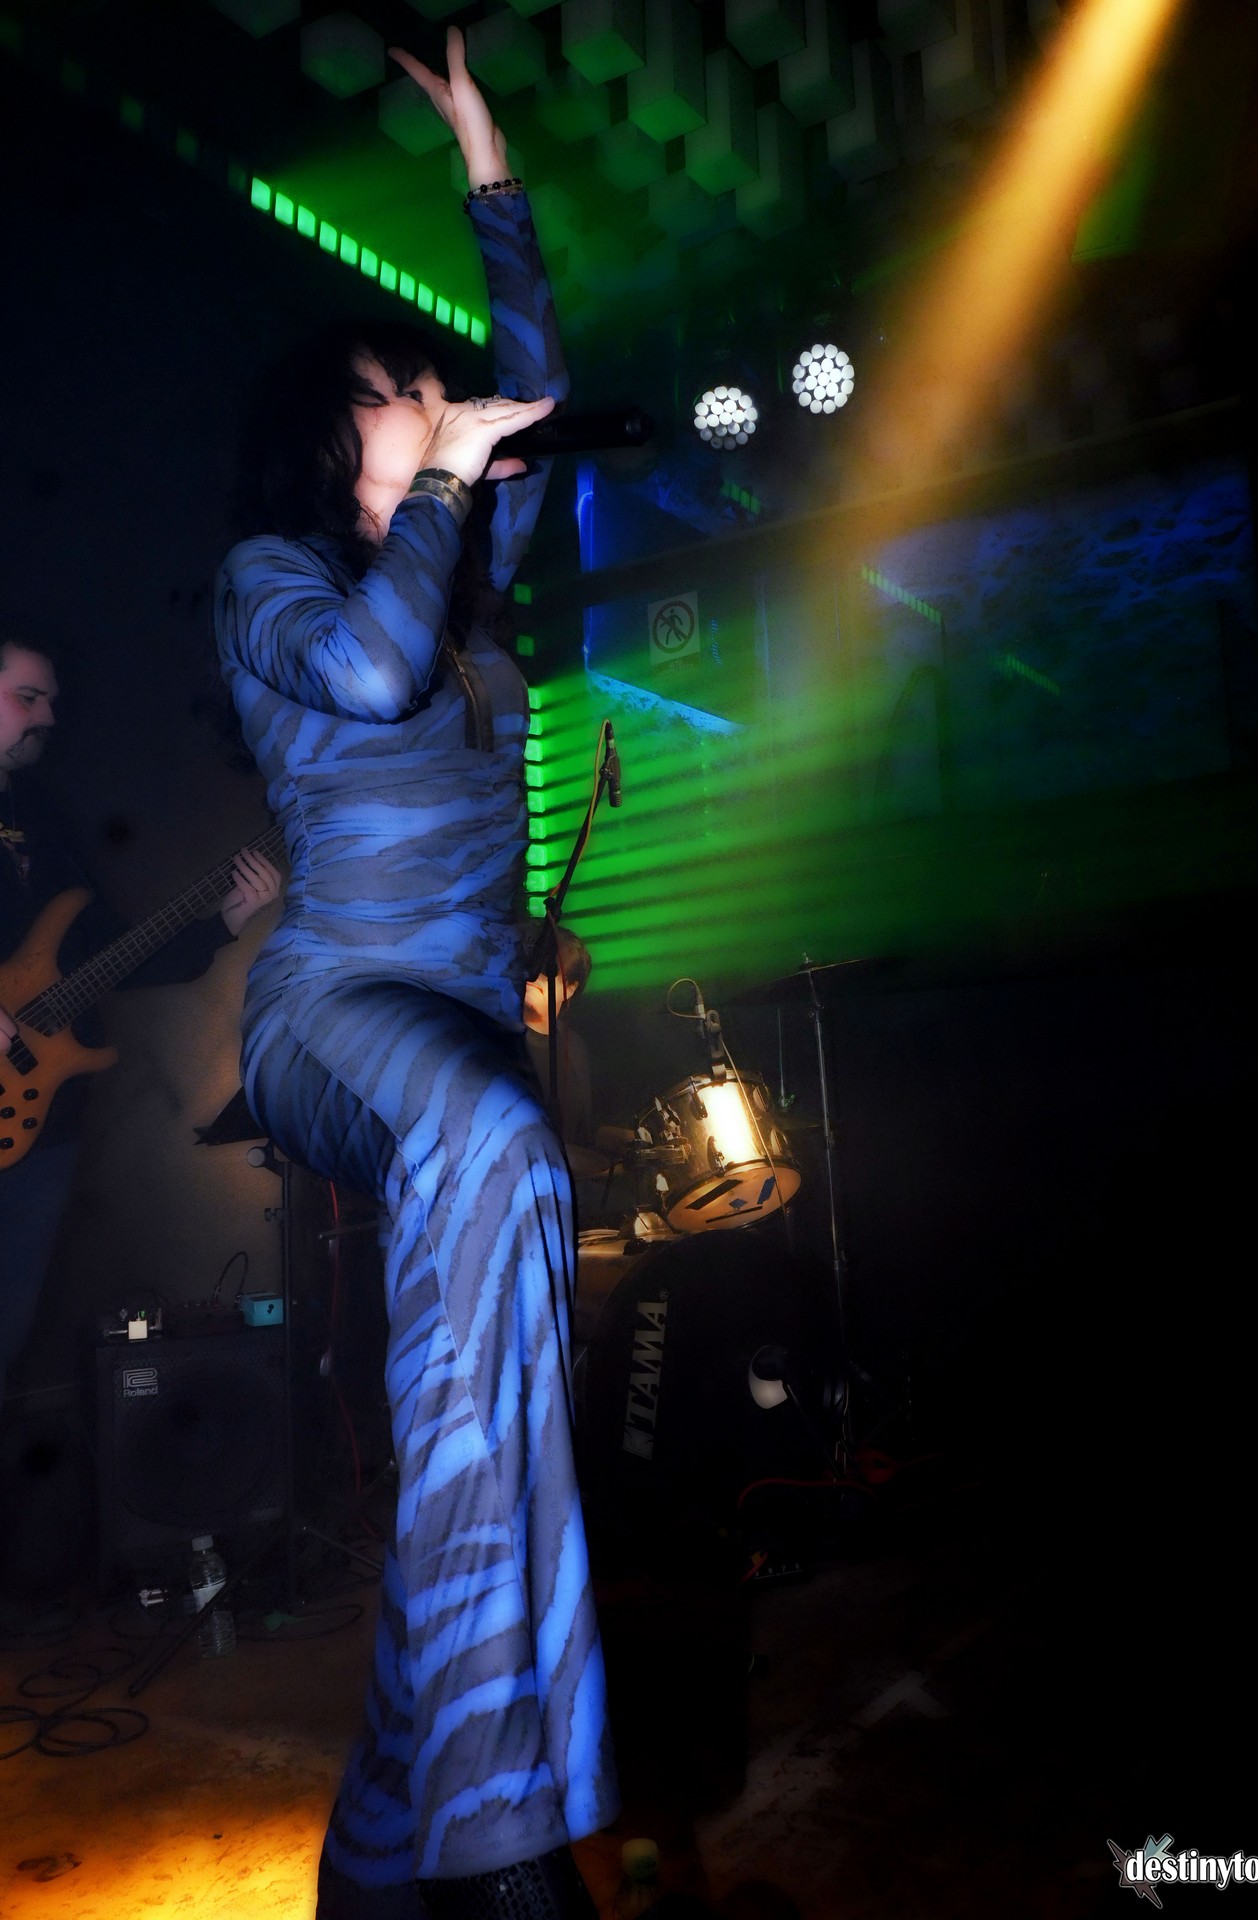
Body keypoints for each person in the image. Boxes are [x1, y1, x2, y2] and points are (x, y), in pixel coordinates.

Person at [214, 29, 617, 1920]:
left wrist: (486, 162)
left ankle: (389, 1840)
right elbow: (369, 681)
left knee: (500, 1357)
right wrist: (447, 491)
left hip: (457, 1033)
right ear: (333, 438)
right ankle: (504, 1842)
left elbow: (535, 379)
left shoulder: (461, 576)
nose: (434, 399)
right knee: (498, 1158)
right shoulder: (273, 585)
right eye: (397, 393)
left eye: (428, 386)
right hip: (329, 1018)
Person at [0, 638, 281, 1407]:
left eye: (51, 701)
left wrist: (225, 921)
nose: (47, 716)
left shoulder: (42, 817)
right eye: (28, 698)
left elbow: (107, 957)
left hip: (41, 1123)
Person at [522, 924, 593, 1156]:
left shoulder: (574, 1048)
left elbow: (583, 1134)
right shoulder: (494, 1036)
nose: (536, 974)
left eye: (550, 968)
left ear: (570, 988)